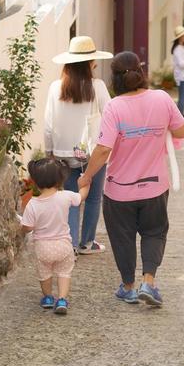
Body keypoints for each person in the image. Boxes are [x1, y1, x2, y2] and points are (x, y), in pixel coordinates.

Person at [78, 51, 184, 307]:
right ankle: (148, 281)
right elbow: (181, 129)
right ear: (141, 71)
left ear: (115, 78)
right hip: (155, 187)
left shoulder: (115, 107)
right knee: (154, 233)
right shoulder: (161, 98)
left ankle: (128, 287)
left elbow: (104, 149)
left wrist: (87, 176)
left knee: (122, 237)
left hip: (119, 191)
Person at [46, 36, 112, 255]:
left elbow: (48, 124)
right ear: (90, 63)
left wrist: (50, 152)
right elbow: (111, 115)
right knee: (93, 198)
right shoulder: (98, 86)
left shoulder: (56, 87)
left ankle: (70, 244)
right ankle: (87, 243)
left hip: (63, 153)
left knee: (70, 197)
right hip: (91, 153)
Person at [21, 158, 90, 315]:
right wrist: (85, 184)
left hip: (43, 248)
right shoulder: (65, 196)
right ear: (60, 180)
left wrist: (23, 229)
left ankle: (48, 298)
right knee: (64, 272)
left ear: (36, 182)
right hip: (63, 246)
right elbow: (81, 197)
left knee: (44, 274)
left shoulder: (33, 204)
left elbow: (27, 227)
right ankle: (62, 299)